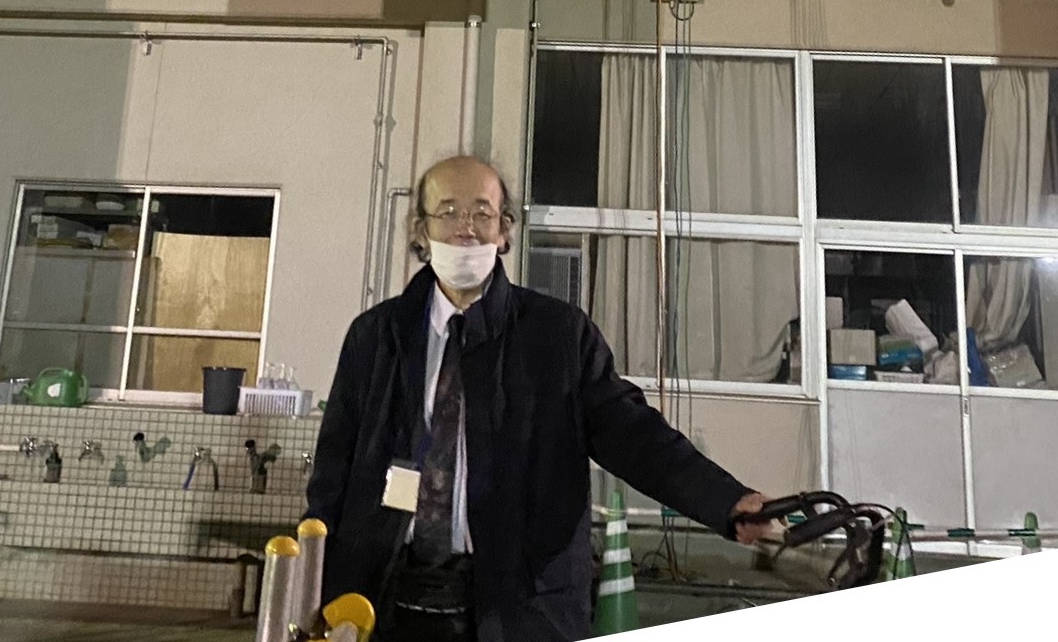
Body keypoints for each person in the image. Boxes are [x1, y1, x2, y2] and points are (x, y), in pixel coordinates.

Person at [305, 154, 779, 642]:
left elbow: (633, 435)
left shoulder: (557, 336)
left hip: (518, 610)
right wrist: (314, 590)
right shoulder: (376, 337)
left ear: (504, 230)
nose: (465, 228)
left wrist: (723, 500)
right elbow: (333, 472)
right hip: (381, 605)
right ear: (421, 231)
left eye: (482, 212)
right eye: (447, 211)